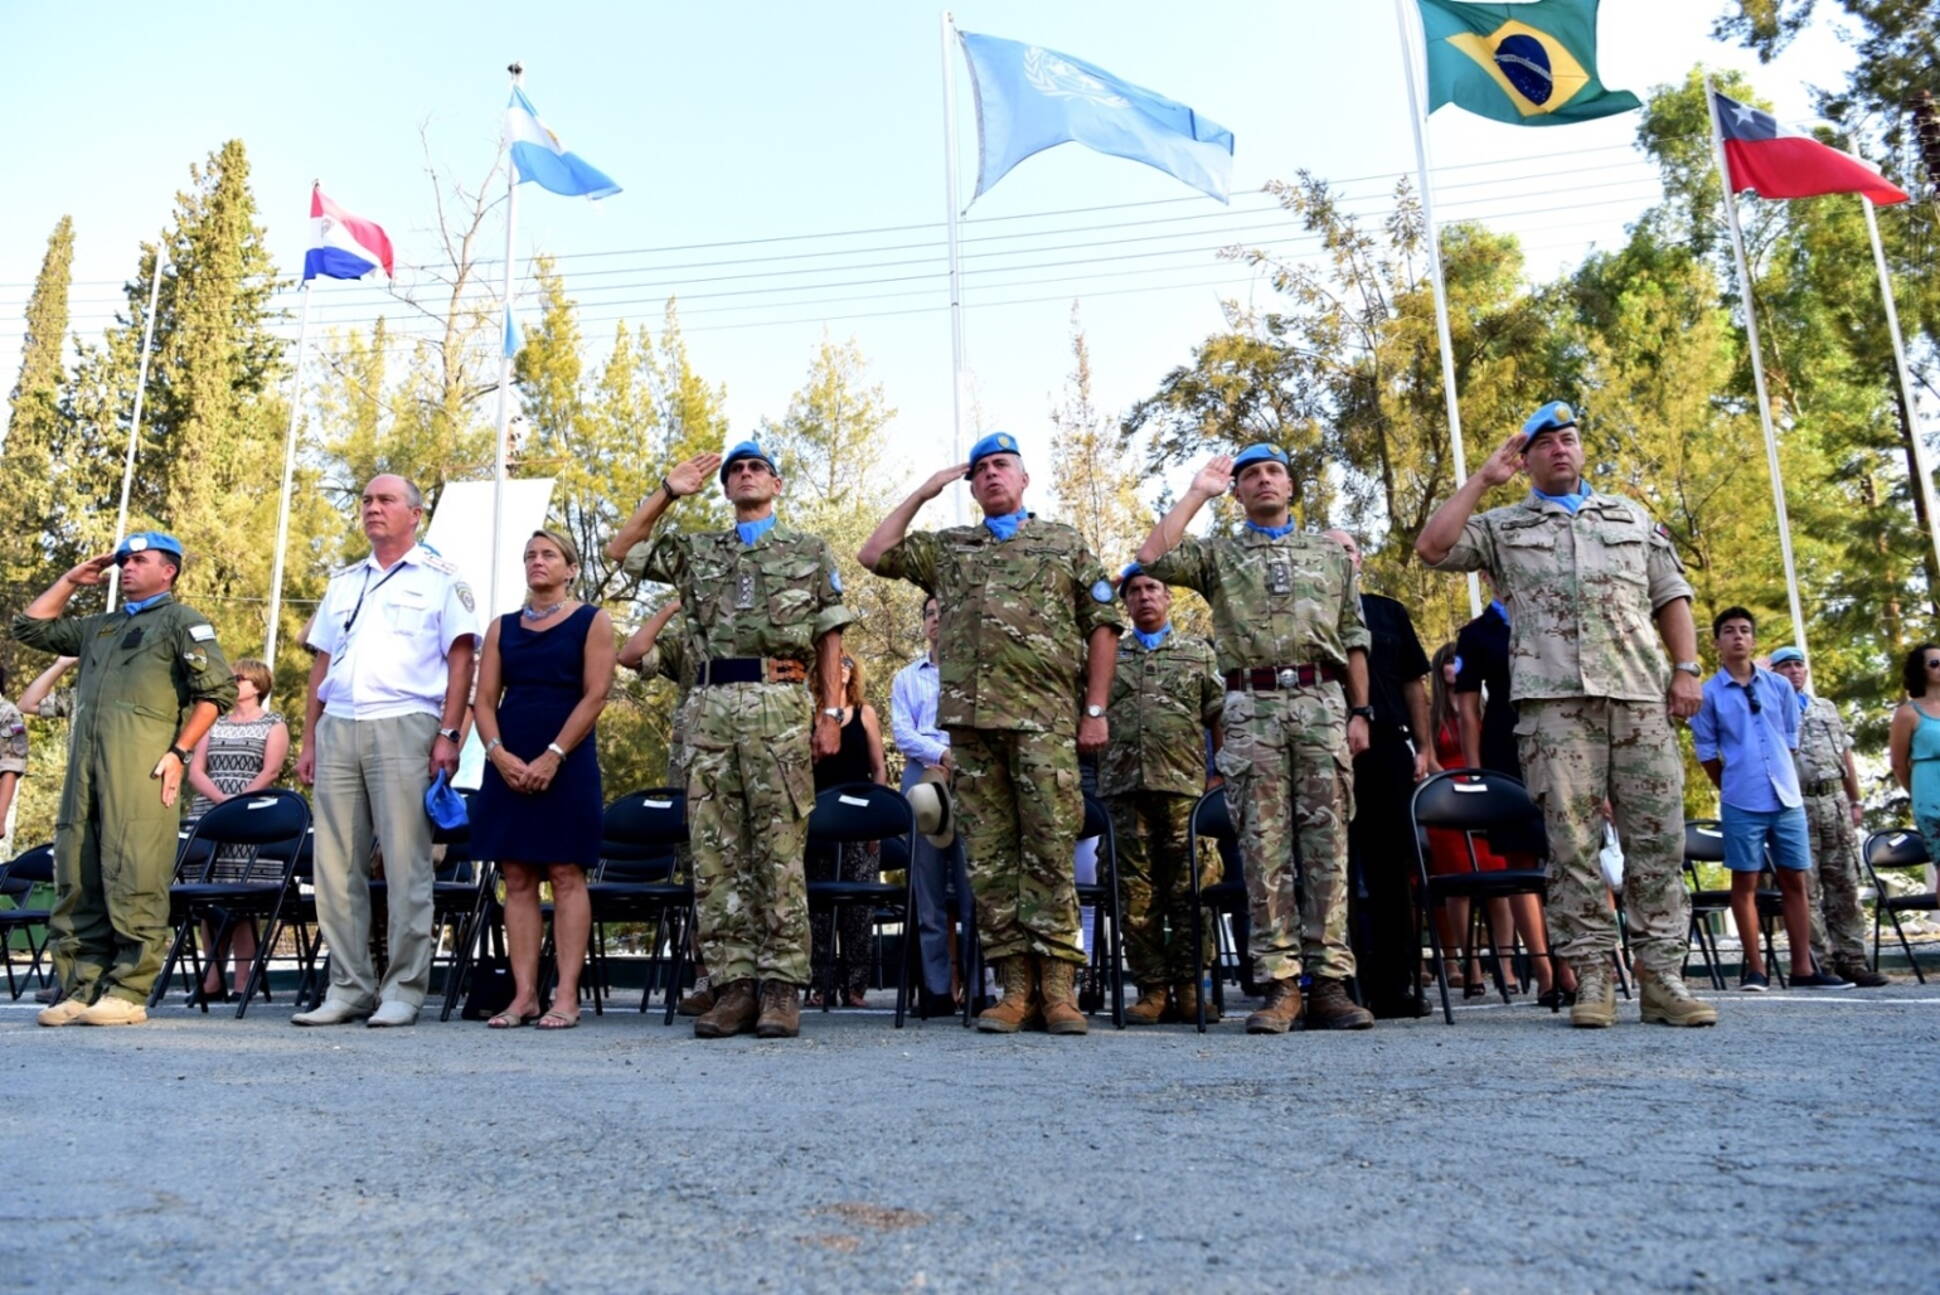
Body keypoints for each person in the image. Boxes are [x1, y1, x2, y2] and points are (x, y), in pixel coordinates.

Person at [1415, 400, 1715, 1027]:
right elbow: (1433, 549)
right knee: (1572, 847)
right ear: (1526, 458)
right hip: (1554, 710)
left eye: (1569, 439)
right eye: (1545, 442)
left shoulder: (1631, 517)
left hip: (1638, 700)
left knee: (1655, 842)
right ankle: (1593, 981)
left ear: (1582, 450)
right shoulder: (1503, 525)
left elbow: (1672, 597)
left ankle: (1662, 980)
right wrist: (1481, 481)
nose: (1559, 449)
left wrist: (1686, 672)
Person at [860, 432, 1121, 1036]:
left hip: (1045, 724)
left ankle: (1059, 991)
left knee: (1051, 853)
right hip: (973, 734)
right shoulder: (952, 548)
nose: (991, 475)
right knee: (995, 864)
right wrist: (927, 489)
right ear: (970, 486)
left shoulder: (1062, 543)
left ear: (1025, 479)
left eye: (1003, 465)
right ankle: (1014, 990)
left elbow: (1103, 623)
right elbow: (874, 553)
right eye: (979, 470)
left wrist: (1097, 709)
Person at [608, 441, 854, 1040]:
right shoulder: (700, 550)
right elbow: (622, 550)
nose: (745, 474)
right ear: (723, 489)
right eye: (735, 470)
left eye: (756, 467)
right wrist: (668, 491)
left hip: (780, 700)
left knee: (777, 847)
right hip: (711, 707)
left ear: (776, 483)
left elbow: (828, 636)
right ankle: (733, 984)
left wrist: (830, 713)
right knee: (716, 855)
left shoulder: (807, 549)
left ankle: (780, 989)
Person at [1135, 444, 1377, 1033]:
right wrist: (1198, 492)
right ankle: (1280, 985)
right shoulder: (1220, 556)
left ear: (1290, 487)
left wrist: (1361, 711)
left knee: (1326, 849)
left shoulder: (1330, 553)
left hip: (1322, 702)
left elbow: (1353, 637)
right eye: (1250, 476)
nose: (1263, 480)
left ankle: (1330, 984)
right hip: (1251, 703)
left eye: (1273, 472)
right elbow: (1150, 555)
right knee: (1264, 849)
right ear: (1239, 493)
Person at [13, 531, 236, 1026]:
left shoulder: (184, 622)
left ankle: (129, 991)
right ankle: (81, 987)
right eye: (123, 562)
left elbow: (215, 692)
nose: (126, 568)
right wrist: (72, 579)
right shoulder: (102, 627)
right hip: (86, 770)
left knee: (133, 871)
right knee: (78, 871)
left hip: (142, 767)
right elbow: (29, 628)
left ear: (169, 570)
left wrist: (180, 752)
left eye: (139, 560)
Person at [293, 475, 480, 1028]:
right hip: (341, 725)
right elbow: (321, 665)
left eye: (386, 501)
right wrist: (310, 736)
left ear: (415, 515)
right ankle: (349, 987)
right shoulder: (344, 582)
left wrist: (450, 735)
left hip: (405, 723)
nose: (373, 509)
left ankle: (403, 988)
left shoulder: (443, 580)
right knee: (333, 867)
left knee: (405, 865)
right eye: (367, 501)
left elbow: (462, 659)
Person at [471, 529, 615, 1030]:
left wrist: (554, 754)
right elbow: (484, 700)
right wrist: (497, 754)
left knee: (566, 873)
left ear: (571, 568)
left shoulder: (592, 621)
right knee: (515, 876)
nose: (537, 561)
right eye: (529, 554)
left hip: (568, 756)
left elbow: (597, 694)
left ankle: (566, 995)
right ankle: (524, 995)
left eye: (548, 554)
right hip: (508, 756)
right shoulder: (502, 627)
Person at [1690, 608, 1851, 991]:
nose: (1738, 637)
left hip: (1786, 797)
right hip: (1741, 798)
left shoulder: (1779, 688)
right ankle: (1756, 969)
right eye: (1729, 631)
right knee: (1744, 882)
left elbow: (1790, 739)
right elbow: (1707, 752)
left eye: (1745, 631)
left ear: (1754, 640)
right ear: (1716, 643)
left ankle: (1802, 968)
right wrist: (1731, 784)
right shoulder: (1709, 693)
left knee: (1795, 879)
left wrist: (1778, 777)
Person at [1099, 567, 1224, 1025]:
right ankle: (1151, 988)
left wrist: (1220, 774)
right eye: (1134, 591)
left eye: (1152, 588)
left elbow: (1218, 714)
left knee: (1191, 887)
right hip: (1124, 788)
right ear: (1125, 603)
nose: (1144, 596)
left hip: (1185, 788)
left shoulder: (1197, 653)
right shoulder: (1109, 653)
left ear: (1169, 597)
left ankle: (1192, 985)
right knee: (1134, 894)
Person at [1324, 529, 1436, 1019]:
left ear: (1360, 558)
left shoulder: (1389, 612)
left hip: (1388, 747)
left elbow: (1414, 683)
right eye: (1329, 552)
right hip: (1325, 748)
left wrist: (1425, 745)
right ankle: (1341, 985)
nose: (1341, 558)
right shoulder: (1311, 611)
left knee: (1392, 869)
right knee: (1333, 871)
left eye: (1346, 549)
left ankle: (1395, 983)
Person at [1451, 582, 1574, 1006]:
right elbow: (1467, 709)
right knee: (1522, 862)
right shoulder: (1477, 633)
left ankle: (1578, 964)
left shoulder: (1556, 610)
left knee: (1568, 856)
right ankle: (1546, 972)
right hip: (1505, 750)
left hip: (1564, 744)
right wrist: (1473, 772)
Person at [618, 596, 716, 1016]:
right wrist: (671, 609)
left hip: (745, 765)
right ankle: (706, 978)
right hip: (692, 776)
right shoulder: (688, 644)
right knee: (699, 877)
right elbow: (631, 654)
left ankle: (753, 980)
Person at [1770, 645, 1887, 987]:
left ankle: (1853, 959)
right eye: (1785, 667)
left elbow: (1845, 755)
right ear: (1774, 673)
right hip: (1797, 803)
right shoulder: (1771, 707)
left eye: (1798, 665)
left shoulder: (1825, 708)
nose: (1794, 671)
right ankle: (1819, 962)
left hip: (1834, 799)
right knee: (1806, 885)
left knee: (1845, 883)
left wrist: (1855, 799)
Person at [183, 657, 290, 1001]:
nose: (231, 682)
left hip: (253, 818)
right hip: (210, 815)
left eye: (238, 678)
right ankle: (213, 980)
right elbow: (196, 770)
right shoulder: (213, 720)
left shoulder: (274, 723)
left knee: (242, 902)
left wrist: (238, 805)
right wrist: (220, 801)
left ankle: (244, 980)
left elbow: (270, 771)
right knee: (208, 899)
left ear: (257, 685)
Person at [890, 595, 972, 1014]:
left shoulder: (975, 674)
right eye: (930, 614)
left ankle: (980, 988)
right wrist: (940, 756)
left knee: (974, 885)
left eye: (945, 613)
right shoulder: (906, 677)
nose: (937, 620)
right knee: (928, 887)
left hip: (971, 779)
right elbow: (902, 733)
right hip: (923, 779)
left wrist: (958, 758)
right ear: (924, 624)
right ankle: (937, 989)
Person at [1425, 642, 1516, 996]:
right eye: (1448, 661)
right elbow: (1429, 756)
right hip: (1447, 803)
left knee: (1500, 888)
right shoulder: (1433, 714)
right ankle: (1471, 965)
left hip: (1488, 797)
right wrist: (1449, 787)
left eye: (1458, 661)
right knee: (1459, 888)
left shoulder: (1481, 708)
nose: (1453, 667)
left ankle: (1506, 965)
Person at [806, 651, 888, 1007]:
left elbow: (879, 768)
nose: (840, 667)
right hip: (818, 824)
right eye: (834, 662)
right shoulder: (808, 713)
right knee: (818, 910)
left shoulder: (865, 713)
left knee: (859, 909)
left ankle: (855, 988)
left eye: (847, 663)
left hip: (861, 823)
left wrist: (878, 825)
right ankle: (819, 986)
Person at [1887, 644, 1940, 864]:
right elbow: (1898, 763)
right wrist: (1917, 793)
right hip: (1932, 798)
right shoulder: (1907, 713)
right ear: (1921, 671)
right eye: (1935, 663)